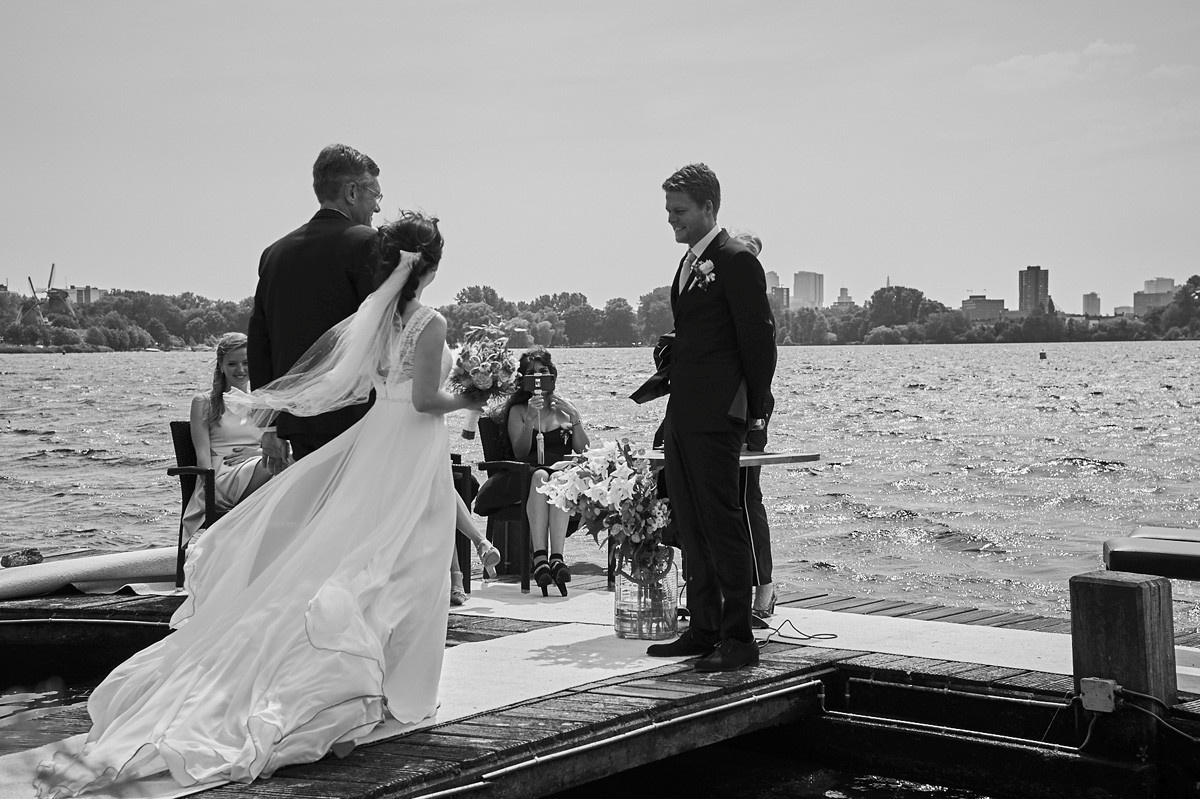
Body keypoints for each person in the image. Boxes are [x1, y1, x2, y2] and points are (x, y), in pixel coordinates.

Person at [34, 212, 487, 797]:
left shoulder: (374, 319)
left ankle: (381, 682)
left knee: (366, 558)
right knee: (406, 563)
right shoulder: (430, 320)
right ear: (432, 266)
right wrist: (474, 396)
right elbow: (427, 399)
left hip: (380, 439)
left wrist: (473, 523)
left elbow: (386, 389)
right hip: (410, 439)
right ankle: (396, 689)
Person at [646, 164, 776, 672]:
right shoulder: (688, 263)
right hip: (682, 411)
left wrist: (754, 413)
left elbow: (758, 343)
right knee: (690, 521)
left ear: (708, 207)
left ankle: (738, 638)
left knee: (723, 521)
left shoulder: (737, 260)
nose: (671, 221)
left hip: (719, 415)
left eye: (679, 211)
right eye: (668, 212)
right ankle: (702, 628)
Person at [248, 143, 383, 469]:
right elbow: (385, 328)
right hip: (358, 415)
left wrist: (268, 424)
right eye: (375, 195)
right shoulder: (366, 242)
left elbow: (260, 341)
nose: (377, 208)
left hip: (297, 421)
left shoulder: (274, 253)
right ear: (351, 192)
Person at [502, 347, 589, 596]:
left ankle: (557, 558)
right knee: (542, 477)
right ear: (524, 380)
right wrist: (530, 418)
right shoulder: (518, 411)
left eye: (543, 372)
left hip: (561, 473)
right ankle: (540, 559)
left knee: (558, 479)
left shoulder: (563, 409)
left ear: (552, 375)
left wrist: (575, 417)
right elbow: (519, 452)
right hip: (528, 472)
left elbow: (583, 450)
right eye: (532, 374)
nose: (538, 377)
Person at [179, 332, 273, 544]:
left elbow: (272, 444)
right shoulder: (204, 402)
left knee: (292, 458)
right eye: (232, 364)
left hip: (259, 467)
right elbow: (202, 455)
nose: (240, 370)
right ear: (221, 365)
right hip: (220, 477)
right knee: (279, 462)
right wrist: (209, 489)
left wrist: (258, 452)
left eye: (246, 363)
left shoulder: (261, 400)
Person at [728, 229, 777, 623]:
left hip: (749, 408)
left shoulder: (755, 303)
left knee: (746, 498)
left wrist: (757, 414)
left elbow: (761, 356)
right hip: (714, 408)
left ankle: (764, 587)